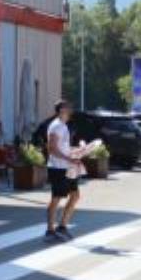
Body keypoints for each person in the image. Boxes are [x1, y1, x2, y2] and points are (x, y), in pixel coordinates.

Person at [45, 99, 82, 242]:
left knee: (75, 195)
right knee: (56, 198)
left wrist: (76, 152)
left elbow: (62, 147)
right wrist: (69, 159)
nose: (70, 109)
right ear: (61, 110)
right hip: (57, 168)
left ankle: (62, 227)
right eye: (68, 107)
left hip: (66, 167)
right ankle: (50, 231)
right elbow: (51, 149)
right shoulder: (56, 126)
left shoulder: (63, 125)